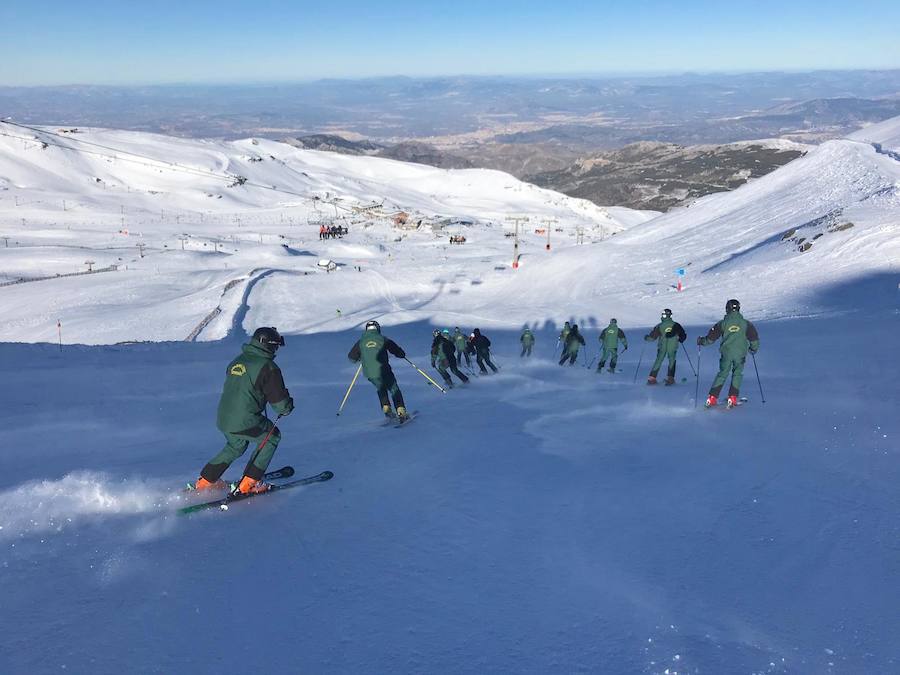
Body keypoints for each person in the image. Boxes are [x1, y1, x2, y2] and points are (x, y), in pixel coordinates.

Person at [193, 327, 294, 496]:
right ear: (268, 346)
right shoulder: (268, 367)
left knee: (235, 446)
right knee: (271, 437)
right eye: (275, 346)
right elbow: (280, 404)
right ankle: (249, 484)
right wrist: (287, 407)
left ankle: (205, 482)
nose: (276, 350)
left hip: (224, 417)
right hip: (244, 419)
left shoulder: (237, 361)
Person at [698, 299, 760, 408]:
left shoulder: (722, 324)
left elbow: (710, 339)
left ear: (727, 309)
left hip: (726, 354)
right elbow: (754, 338)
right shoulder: (746, 324)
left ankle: (712, 398)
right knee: (737, 374)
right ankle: (732, 397)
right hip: (740, 354)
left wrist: (701, 341)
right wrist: (753, 349)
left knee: (722, 374)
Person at [348, 320, 409, 420]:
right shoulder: (383, 339)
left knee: (381, 387)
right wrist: (401, 354)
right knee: (393, 388)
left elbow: (351, 357)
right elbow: (396, 350)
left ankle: (386, 408)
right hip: (384, 370)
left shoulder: (361, 342)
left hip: (370, 373)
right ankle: (401, 411)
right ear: (378, 328)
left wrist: (360, 358)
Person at [644, 308, 686, 385]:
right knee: (672, 360)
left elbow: (652, 337)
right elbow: (683, 336)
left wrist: (646, 338)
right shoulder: (676, 325)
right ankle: (670, 378)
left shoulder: (659, 326)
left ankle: (652, 378)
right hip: (673, 346)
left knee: (659, 360)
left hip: (662, 346)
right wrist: (680, 339)